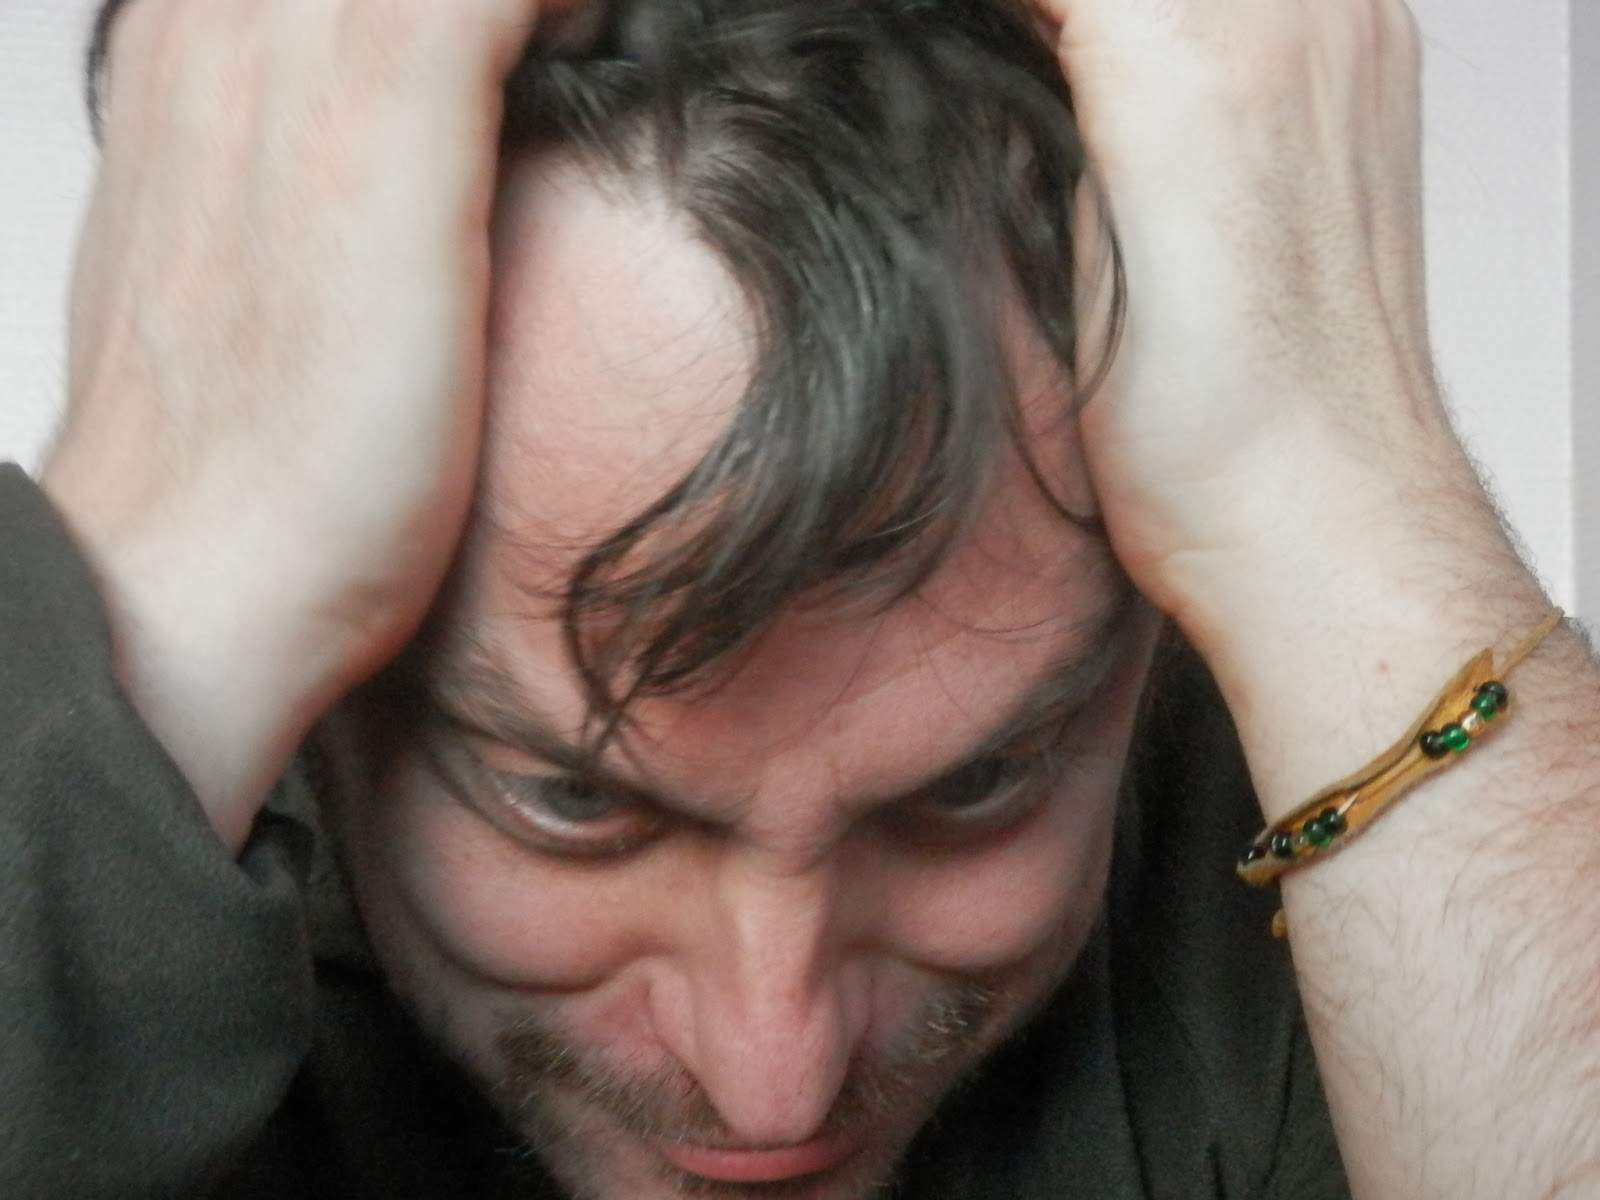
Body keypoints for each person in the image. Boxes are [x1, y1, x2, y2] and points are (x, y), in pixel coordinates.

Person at [1, 0, 1596, 1196]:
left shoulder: (1309, 863)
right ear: (335, 672)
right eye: (570, 800)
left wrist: (1347, 492)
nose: (776, 1085)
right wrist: (165, 581)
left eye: (976, 784)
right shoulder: (168, 786)